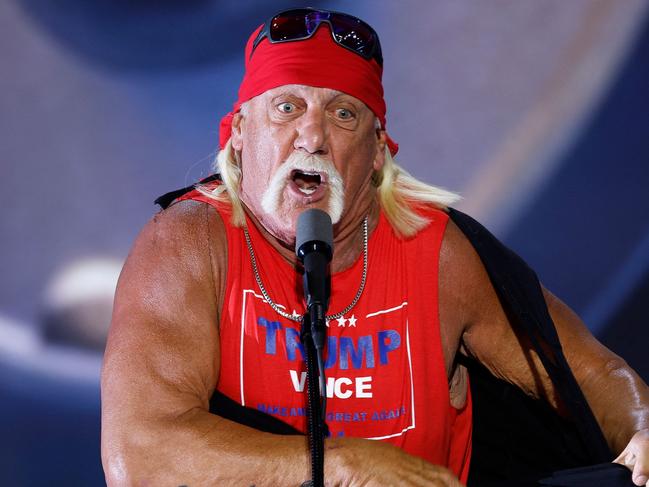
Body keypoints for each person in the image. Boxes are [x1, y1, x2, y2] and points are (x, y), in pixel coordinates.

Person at [101, 8, 649, 487]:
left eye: (343, 115)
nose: (312, 137)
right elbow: (139, 456)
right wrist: (347, 466)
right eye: (287, 107)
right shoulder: (191, 245)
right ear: (239, 133)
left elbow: (596, 378)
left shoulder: (439, 256)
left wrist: (643, 426)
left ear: (379, 154)